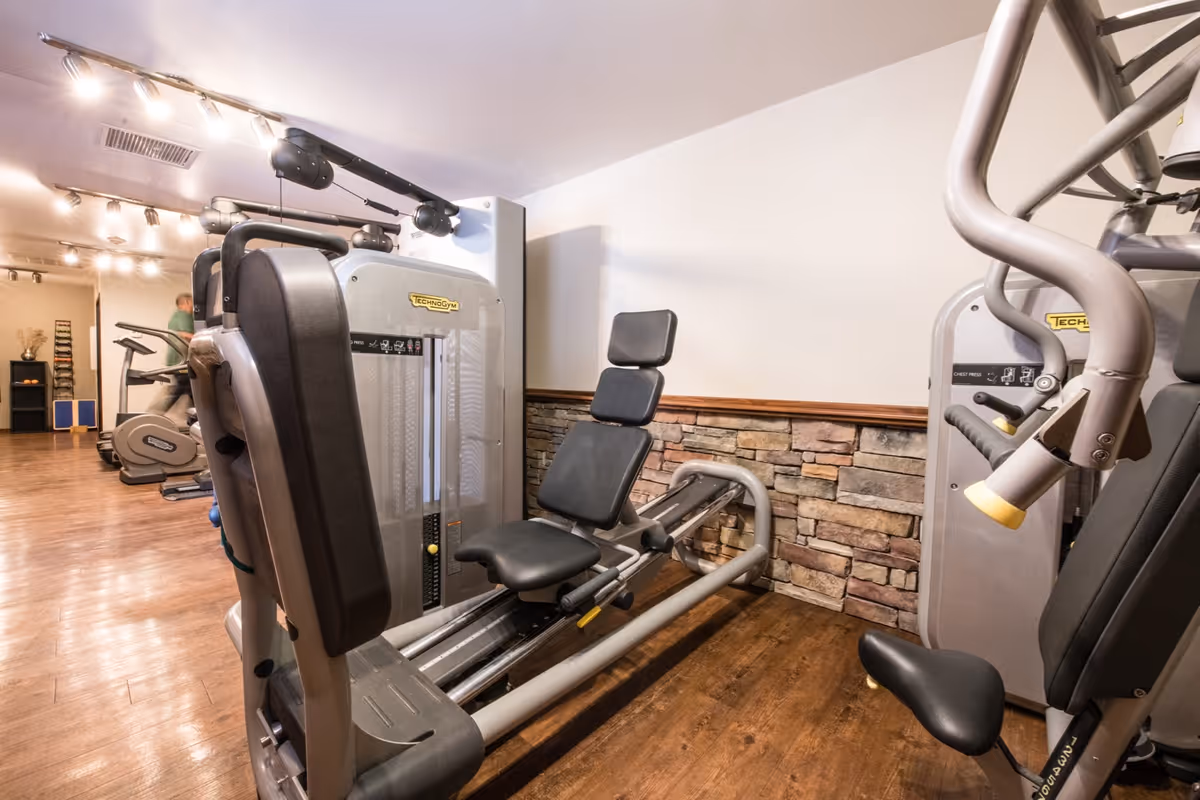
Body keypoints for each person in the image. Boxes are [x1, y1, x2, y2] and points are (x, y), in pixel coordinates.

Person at [154, 293, 194, 413]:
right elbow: (185, 334)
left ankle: (196, 419)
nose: (193, 306)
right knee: (182, 389)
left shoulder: (175, 317)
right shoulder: (183, 315)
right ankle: (156, 412)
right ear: (186, 303)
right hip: (181, 361)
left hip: (176, 361)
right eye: (192, 303)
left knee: (189, 390)